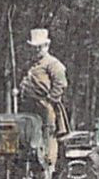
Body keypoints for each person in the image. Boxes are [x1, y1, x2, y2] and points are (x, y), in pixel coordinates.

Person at [17, 27, 69, 168]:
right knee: (28, 135)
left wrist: (50, 100)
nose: (37, 50)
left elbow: (61, 83)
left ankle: (48, 165)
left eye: (40, 47)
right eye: (34, 47)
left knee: (48, 135)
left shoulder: (53, 64)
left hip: (45, 105)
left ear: (46, 46)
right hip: (29, 106)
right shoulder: (30, 65)